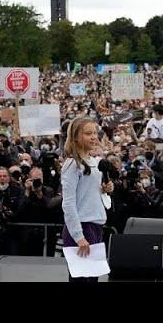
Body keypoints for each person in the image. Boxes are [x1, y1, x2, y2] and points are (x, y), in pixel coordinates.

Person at [61, 117, 113, 282]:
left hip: (96, 226)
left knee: (92, 280)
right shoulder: (72, 164)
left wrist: (104, 190)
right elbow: (68, 203)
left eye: (95, 133)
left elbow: (90, 194)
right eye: (88, 133)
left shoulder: (96, 163)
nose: (94, 137)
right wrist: (79, 236)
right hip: (81, 228)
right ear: (76, 137)